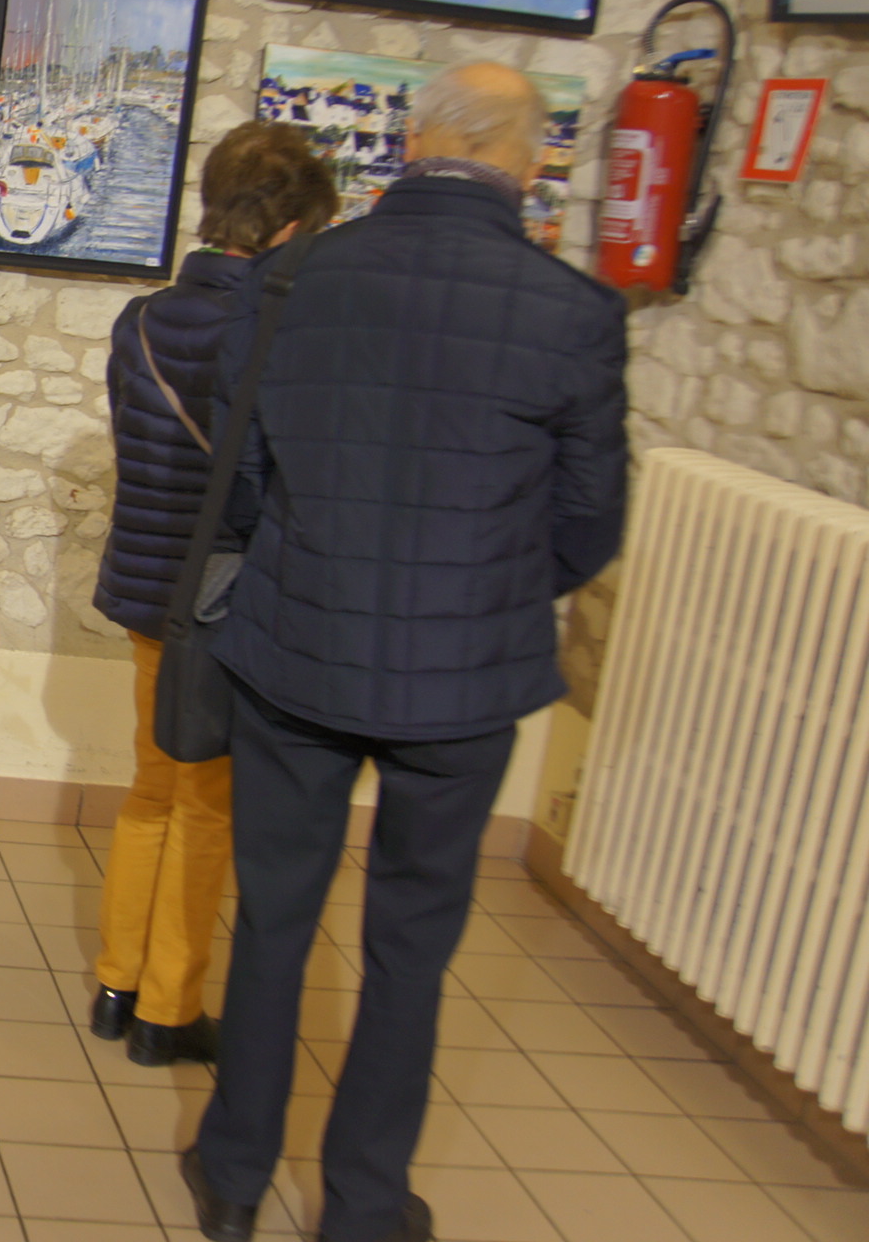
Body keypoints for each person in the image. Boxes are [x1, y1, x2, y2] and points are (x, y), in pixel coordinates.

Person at [181, 64, 629, 1242]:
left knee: (273, 914)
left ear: (411, 141)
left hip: (298, 647)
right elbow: (589, 522)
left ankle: (232, 1172)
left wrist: (316, 561)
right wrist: (475, 599)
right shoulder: (572, 310)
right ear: (528, 161)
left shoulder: (290, 277)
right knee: (411, 944)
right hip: (464, 676)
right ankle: (364, 1202)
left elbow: (244, 471)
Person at [87, 121, 338, 1067]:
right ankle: (169, 1008)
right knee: (205, 806)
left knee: (152, 788)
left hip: (148, 587)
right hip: (228, 600)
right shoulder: (278, 328)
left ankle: (117, 982)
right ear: (288, 228)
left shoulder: (141, 320)